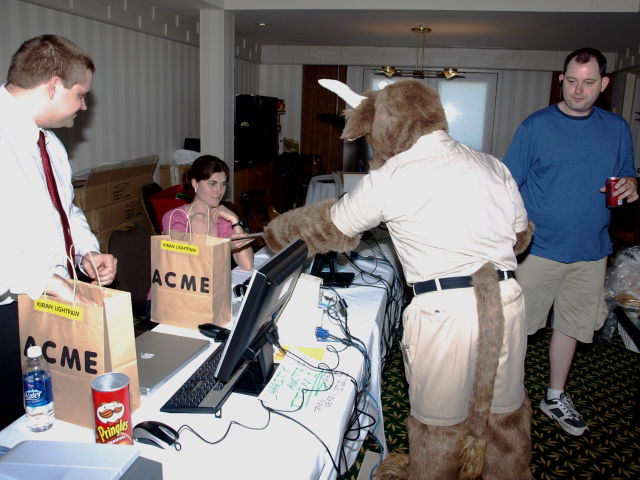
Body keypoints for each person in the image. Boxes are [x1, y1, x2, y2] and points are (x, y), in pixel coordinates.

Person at [503, 47, 638, 436]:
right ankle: (506, 400)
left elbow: (625, 176)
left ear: (604, 84)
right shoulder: (536, 126)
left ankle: (554, 396)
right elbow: (508, 184)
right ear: (562, 79)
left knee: (573, 327)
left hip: (591, 252)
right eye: (572, 81)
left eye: (589, 82)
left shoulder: (616, 129)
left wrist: (631, 185)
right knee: (517, 331)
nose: (579, 90)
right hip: (537, 251)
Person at [0, 35, 118, 429]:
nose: (84, 105)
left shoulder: (49, 145)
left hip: (48, 305)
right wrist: (47, 279)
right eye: (80, 94)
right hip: (9, 311)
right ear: (52, 86)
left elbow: (65, 210)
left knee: (56, 417)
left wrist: (86, 251)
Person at [161, 155, 254, 270]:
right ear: (195, 183)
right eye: (212, 183)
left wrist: (235, 221)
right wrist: (224, 247)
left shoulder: (222, 219)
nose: (219, 190)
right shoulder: (175, 217)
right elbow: (183, 257)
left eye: (223, 184)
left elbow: (247, 264)